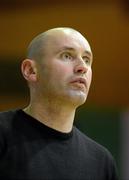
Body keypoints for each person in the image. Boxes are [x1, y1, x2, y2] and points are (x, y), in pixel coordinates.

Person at [0, 27, 118, 180]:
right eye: (67, 56)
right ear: (30, 70)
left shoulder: (102, 162)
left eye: (87, 59)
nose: (82, 67)